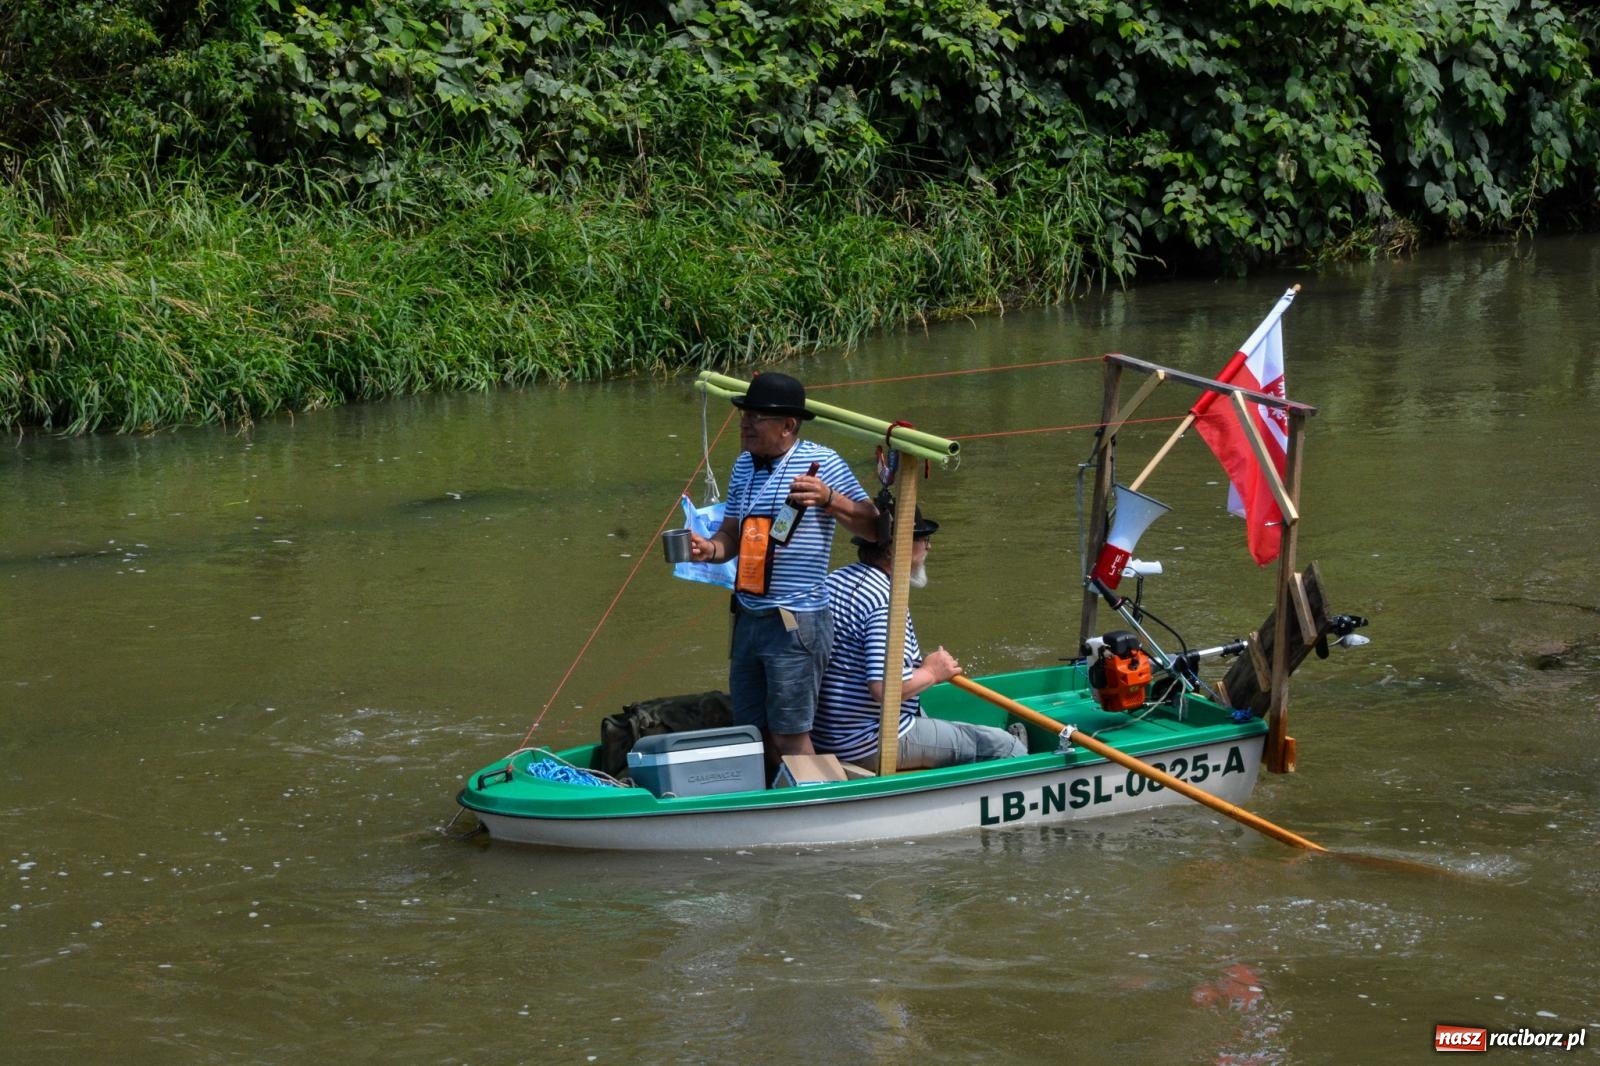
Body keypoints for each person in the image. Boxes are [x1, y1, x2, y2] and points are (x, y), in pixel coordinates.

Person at [686, 371, 879, 765]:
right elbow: (732, 534)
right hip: (748, 618)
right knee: (752, 733)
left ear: (788, 426)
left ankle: (819, 800)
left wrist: (830, 499)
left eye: (757, 417)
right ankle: (768, 798)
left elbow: (875, 529)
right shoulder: (743, 465)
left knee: (790, 735)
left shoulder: (822, 463)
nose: (745, 424)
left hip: (795, 621)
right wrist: (709, 549)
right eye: (745, 415)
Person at [813, 502, 1027, 772]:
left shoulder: (836, 579)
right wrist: (932, 672)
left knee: (937, 720)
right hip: (866, 740)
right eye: (923, 539)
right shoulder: (885, 601)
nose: (929, 547)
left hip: (828, 733)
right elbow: (883, 688)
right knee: (1006, 747)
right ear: (894, 549)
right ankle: (1014, 752)